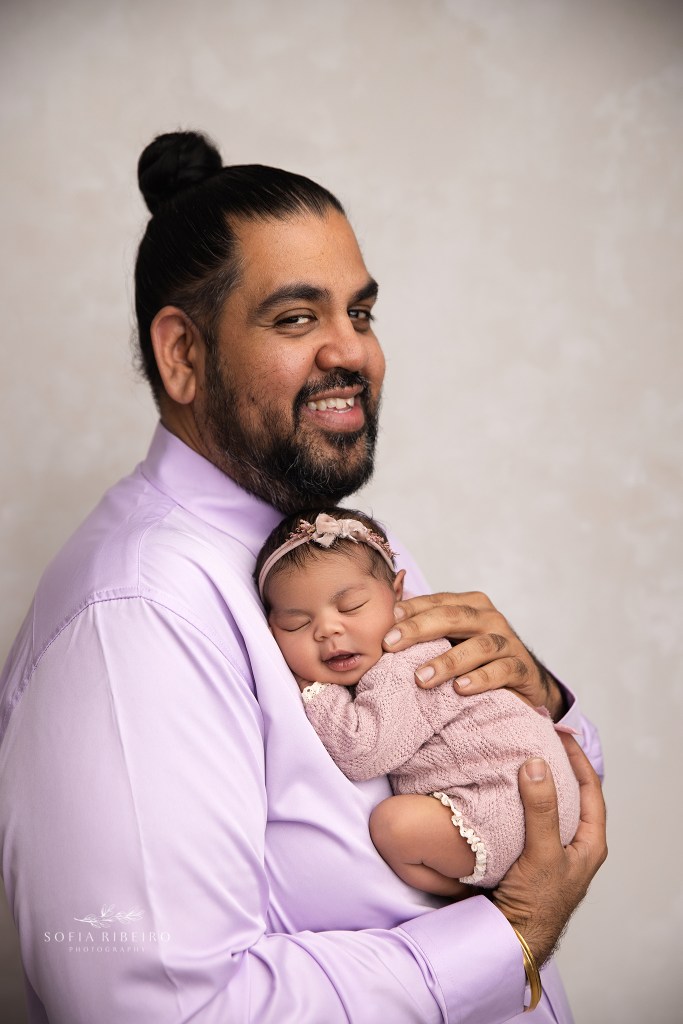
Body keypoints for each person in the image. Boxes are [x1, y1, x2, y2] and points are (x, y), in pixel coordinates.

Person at [0, 130, 606, 1024]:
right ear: (183, 356)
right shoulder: (135, 617)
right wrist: (505, 934)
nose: (351, 353)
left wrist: (541, 696)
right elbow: (162, 1010)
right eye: (296, 318)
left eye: (359, 313)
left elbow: (519, 775)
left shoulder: (329, 548)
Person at [256, 507, 580, 895]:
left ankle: (475, 901)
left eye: (351, 606)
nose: (327, 629)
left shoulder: (409, 662)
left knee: (394, 826)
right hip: (529, 797)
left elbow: (362, 751)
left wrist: (314, 689)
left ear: (397, 594)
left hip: (511, 801)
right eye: (297, 624)